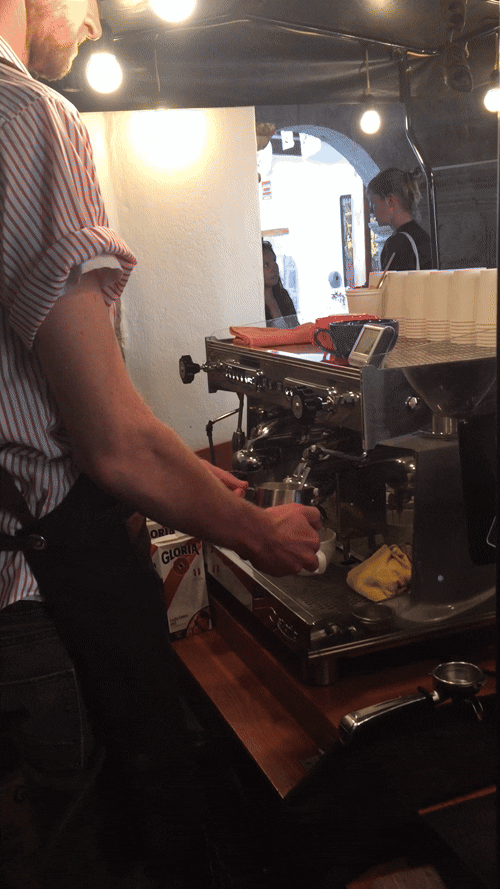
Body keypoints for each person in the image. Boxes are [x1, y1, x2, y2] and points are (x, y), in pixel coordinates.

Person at [0, 3, 321, 887]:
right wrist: (261, 531)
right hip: (40, 607)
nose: (98, 28)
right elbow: (113, 447)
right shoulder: (26, 116)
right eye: (93, 4)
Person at [367, 168, 432, 272]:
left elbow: (393, 288)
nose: (371, 211)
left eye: (374, 203)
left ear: (390, 201)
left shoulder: (397, 244)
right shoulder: (424, 237)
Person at [262, 240, 298, 325]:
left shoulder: (283, 295)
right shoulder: (254, 303)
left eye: (274, 261)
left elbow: (296, 327)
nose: (274, 268)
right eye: (266, 265)